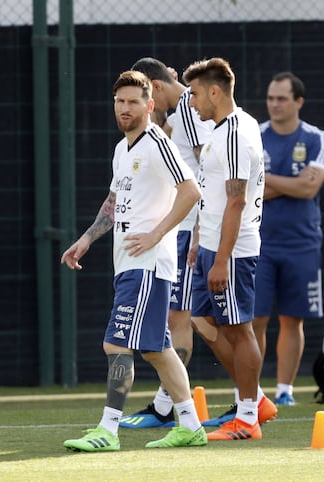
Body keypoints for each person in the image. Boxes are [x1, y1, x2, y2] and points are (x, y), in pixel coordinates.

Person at [61, 70, 207, 450]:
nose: (125, 108)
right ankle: (190, 425)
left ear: (150, 104)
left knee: (116, 344)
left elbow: (190, 192)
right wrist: (86, 238)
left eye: (133, 102)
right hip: (126, 261)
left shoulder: (158, 143)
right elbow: (113, 204)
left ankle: (108, 431)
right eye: (120, 102)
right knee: (157, 349)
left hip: (148, 263)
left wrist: (157, 235)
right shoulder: (122, 149)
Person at [119, 57, 214, 429]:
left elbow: (207, 171)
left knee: (180, 321)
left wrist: (202, 229)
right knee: (180, 322)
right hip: (182, 230)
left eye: (137, 98)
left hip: (189, 230)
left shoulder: (188, 111)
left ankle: (173, 409)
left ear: (153, 91)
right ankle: (176, 408)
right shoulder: (178, 116)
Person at [181, 57, 272, 441]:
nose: (192, 102)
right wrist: (200, 237)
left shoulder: (236, 132)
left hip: (231, 251)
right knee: (202, 321)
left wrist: (220, 259)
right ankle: (258, 399)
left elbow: (236, 201)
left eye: (196, 94)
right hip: (211, 246)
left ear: (215, 92)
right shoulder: (221, 128)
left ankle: (248, 417)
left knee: (238, 329)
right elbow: (213, 193)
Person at [253, 72, 324, 405]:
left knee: (292, 318)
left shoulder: (316, 138)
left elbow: (309, 188)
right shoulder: (254, 135)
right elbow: (245, 188)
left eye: (282, 98)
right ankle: (250, 393)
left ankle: (284, 391)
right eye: (271, 98)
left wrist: (266, 179)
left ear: (298, 102)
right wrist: (290, 183)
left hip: (302, 242)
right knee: (253, 319)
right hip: (258, 242)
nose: (274, 104)